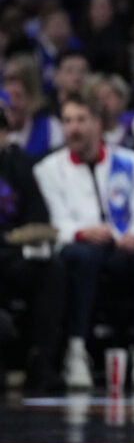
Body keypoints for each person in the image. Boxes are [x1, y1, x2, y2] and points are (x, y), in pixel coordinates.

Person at [34, 92, 134, 390]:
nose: (74, 128)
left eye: (81, 120)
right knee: (84, 257)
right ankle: (76, 351)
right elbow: (55, 221)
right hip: (77, 246)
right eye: (67, 121)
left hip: (121, 245)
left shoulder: (131, 163)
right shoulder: (48, 169)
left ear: (98, 124)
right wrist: (81, 232)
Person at [0, 107, 65, 395]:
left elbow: (38, 215)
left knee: (53, 270)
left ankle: (43, 361)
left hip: (17, 253)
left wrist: (27, 237)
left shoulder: (22, 166)